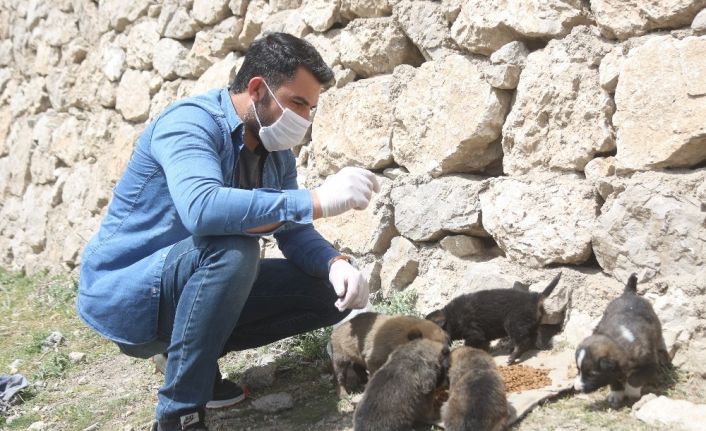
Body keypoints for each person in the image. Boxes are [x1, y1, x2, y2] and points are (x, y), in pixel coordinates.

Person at [77, 32, 380, 430]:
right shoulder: (188, 123)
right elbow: (202, 209)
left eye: (311, 109)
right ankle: (177, 414)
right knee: (234, 248)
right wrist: (317, 200)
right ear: (257, 89)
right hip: (128, 294)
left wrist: (334, 263)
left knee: (329, 292)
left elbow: (292, 230)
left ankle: (191, 363)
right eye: (297, 103)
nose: (304, 119)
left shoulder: (276, 153)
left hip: (189, 286)